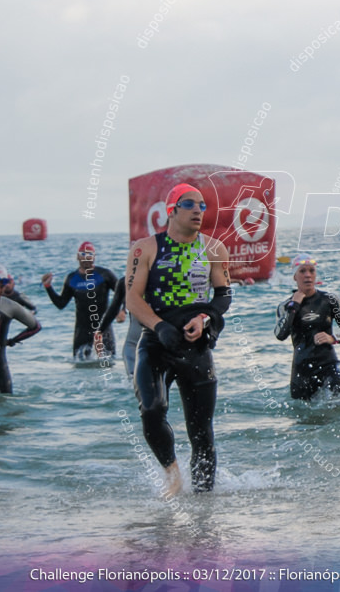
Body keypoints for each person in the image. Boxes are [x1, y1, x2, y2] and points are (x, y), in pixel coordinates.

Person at [125, 183, 231, 495]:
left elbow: (224, 295)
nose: (198, 210)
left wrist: (204, 319)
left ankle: (203, 502)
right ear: (172, 210)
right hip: (157, 344)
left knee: (201, 433)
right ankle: (172, 473)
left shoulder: (214, 248)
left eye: (202, 206)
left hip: (196, 348)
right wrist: (159, 327)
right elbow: (132, 298)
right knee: (152, 409)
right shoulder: (146, 248)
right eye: (190, 204)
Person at [274, 253, 340, 400]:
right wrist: (295, 305)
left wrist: (332, 338)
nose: (308, 275)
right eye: (302, 271)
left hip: (329, 364)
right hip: (302, 369)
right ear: (295, 277)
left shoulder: (330, 300)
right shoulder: (286, 306)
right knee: (304, 416)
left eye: (312, 271)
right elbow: (280, 334)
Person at [41, 242, 121, 359]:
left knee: (108, 363)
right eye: (83, 254)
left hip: (103, 328)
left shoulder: (105, 274)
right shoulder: (71, 279)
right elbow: (61, 304)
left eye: (90, 254)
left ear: (94, 256)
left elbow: (123, 293)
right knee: (80, 365)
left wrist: (122, 310)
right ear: (78, 257)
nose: (86, 257)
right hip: (82, 330)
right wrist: (48, 287)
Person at [0, 266, 42, 394]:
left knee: (8, 409)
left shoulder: (10, 306)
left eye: (3, 285)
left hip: (0, 370)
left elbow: (36, 327)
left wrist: (13, 340)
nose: (1, 289)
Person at [98, 277, 142, 380]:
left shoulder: (126, 280)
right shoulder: (161, 277)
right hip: (158, 331)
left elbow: (114, 307)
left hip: (136, 337)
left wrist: (100, 331)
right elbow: (114, 308)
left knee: (134, 377)